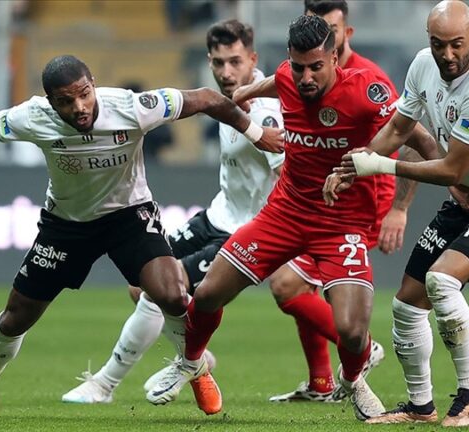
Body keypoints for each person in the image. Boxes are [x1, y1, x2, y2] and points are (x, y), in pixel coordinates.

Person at [0, 54, 283, 418]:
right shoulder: (33, 116)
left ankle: (195, 367)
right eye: (66, 101)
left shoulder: (133, 107)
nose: (79, 106)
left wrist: (255, 132)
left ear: (94, 86)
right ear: (51, 102)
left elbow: (208, 98)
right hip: (67, 225)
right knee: (16, 317)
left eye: (84, 93)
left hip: (128, 217)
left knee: (170, 293)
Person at [146, 15, 435, 421]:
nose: (305, 78)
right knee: (209, 293)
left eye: (316, 67)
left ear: (335, 58)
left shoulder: (367, 93)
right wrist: (245, 90)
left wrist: (454, 179)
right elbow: (277, 80)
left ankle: (352, 380)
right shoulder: (287, 76)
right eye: (299, 67)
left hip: (341, 224)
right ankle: (190, 361)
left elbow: (419, 141)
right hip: (284, 214)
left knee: (352, 332)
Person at [327, 1, 469, 426]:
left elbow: (451, 169)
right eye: (438, 43)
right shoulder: (423, 65)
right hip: (466, 201)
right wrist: (356, 163)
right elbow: (399, 128)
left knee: (442, 280)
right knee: (407, 304)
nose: (447, 54)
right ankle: (419, 407)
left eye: (457, 45)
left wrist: (381, 165)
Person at [59, 20, 284, 416]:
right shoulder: (229, 102)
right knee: (142, 283)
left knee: (160, 289)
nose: (226, 72)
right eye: (218, 63)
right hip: (218, 215)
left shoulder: (267, 113)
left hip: (249, 231)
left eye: (235, 62)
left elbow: (287, 175)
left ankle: (106, 383)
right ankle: (196, 357)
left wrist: (282, 237)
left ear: (253, 59)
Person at [267, 0, 418, 403]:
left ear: (343, 36)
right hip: (315, 206)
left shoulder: (370, 81)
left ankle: (363, 351)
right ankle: (323, 381)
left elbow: (409, 140)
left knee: (290, 286)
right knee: (307, 291)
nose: (321, 39)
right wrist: (247, 90)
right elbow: (281, 79)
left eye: (331, 31)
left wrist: (396, 209)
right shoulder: (305, 74)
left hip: (359, 209)